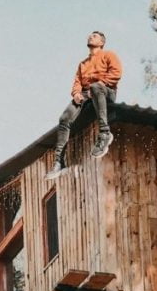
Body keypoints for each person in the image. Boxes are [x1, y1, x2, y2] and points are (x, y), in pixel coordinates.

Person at [45, 31, 122, 180]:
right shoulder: (83, 64)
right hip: (87, 94)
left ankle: (105, 133)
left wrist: (101, 83)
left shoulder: (109, 55)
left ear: (102, 42)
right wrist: (76, 94)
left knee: (95, 87)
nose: (90, 36)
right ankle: (59, 162)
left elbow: (116, 73)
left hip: (106, 90)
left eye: (94, 36)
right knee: (64, 118)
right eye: (89, 35)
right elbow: (77, 82)